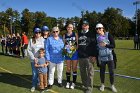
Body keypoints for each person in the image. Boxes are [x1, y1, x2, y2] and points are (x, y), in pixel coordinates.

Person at [96, 23, 117, 92]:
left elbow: (113, 45)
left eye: (100, 28)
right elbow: (96, 48)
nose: (98, 30)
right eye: (97, 29)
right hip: (101, 57)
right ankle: (102, 85)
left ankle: (112, 85)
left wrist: (106, 45)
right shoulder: (96, 37)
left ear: (103, 28)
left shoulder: (108, 35)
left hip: (110, 57)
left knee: (111, 72)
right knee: (102, 72)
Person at [78, 21, 97, 93]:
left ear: (88, 26)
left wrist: (94, 55)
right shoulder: (79, 34)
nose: (84, 26)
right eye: (83, 25)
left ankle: (89, 88)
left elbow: (94, 46)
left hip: (89, 57)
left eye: (86, 25)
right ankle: (85, 84)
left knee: (90, 73)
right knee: (82, 72)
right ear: (82, 26)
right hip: (81, 56)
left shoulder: (92, 34)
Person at [27, 28, 45, 92]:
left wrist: (43, 57)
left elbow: (45, 49)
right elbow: (28, 50)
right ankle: (33, 86)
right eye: (36, 33)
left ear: (41, 33)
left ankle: (41, 85)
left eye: (39, 33)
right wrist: (33, 58)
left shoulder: (43, 40)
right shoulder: (31, 40)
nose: (38, 34)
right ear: (34, 33)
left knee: (41, 73)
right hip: (34, 61)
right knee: (35, 74)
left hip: (41, 61)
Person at [63, 23, 78, 89]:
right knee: (68, 68)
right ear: (67, 28)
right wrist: (67, 50)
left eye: (71, 27)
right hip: (68, 54)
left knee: (74, 68)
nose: (69, 28)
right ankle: (68, 82)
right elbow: (64, 45)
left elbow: (77, 44)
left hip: (74, 53)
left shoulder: (75, 34)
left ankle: (74, 83)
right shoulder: (64, 35)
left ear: (73, 28)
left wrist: (73, 49)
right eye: (68, 27)